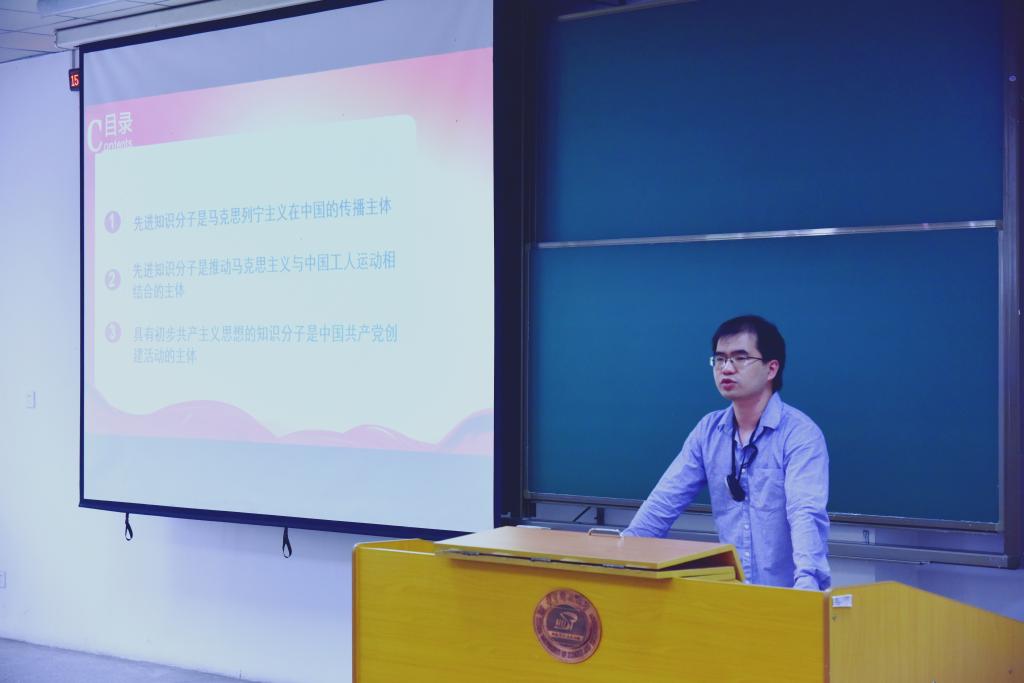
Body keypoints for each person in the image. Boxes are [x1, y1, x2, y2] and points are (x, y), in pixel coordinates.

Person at [622, 315, 830, 590]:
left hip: (789, 593)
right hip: (731, 593)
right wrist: (623, 554)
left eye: (740, 358)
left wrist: (807, 583)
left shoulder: (799, 434)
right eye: (719, 359)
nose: (726, 368)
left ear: (771, 369)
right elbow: (664, 502)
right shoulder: (708, 431)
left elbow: (805, 513)